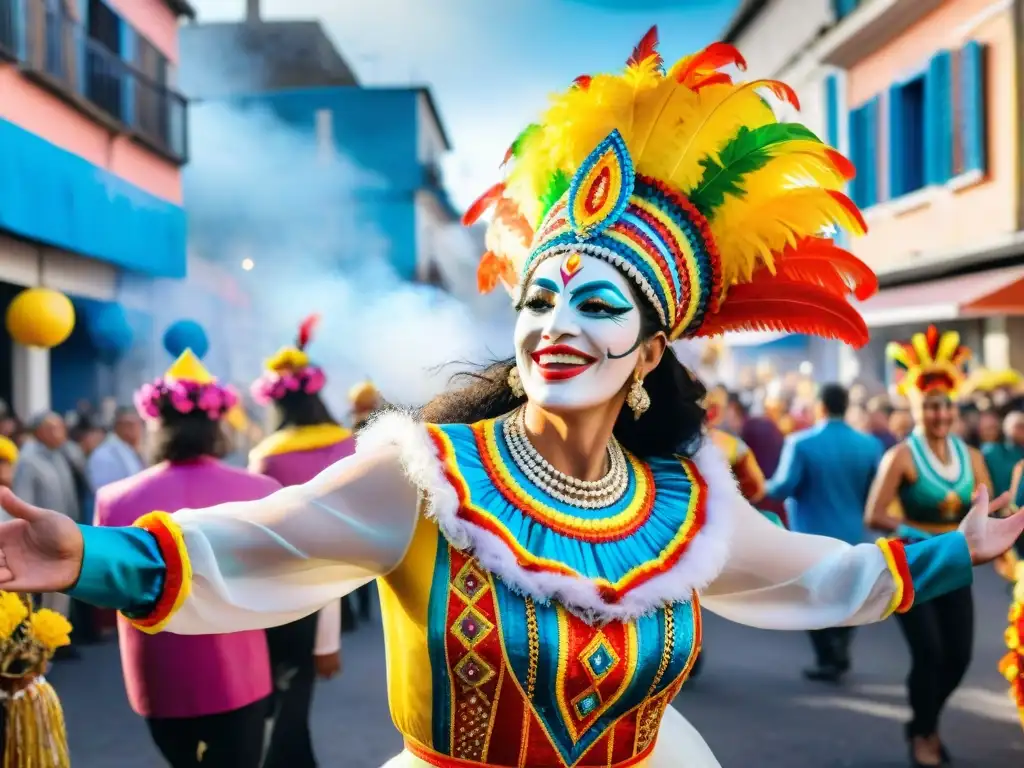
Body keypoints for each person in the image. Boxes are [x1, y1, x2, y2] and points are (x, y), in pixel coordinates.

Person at [1, 31, 1023, 768]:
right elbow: (252, 540)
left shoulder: (687, 504)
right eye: (537, 298)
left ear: (651, 349)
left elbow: (811, 576)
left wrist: (951, 549)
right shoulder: (426, 478)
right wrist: (86, 556)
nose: (553, 323)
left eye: (594, 301)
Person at [95, 350, 275, 768]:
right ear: (216, 424)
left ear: (155, 424)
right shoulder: (260, 489)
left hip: (158, 670)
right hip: (239, 666)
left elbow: (109, 590)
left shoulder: (115, 499)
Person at [865, 326, 997, 767]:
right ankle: (925, 734)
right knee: (930, 654)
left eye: (946, 406)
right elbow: (874, 514)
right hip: (916, 567)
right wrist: (921, 535)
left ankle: (924, 721)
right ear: (916, 408)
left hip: (955, 567)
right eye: (931, 406)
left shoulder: (972, 457)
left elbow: (984, 508)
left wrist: (996, 524)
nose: (940, 414)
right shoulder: (900, 456)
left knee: (958, 659)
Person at [249, 316, 345, 768]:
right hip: (339, 569)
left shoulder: (268, 455)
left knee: (283, 684)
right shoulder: (348, 445)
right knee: (297, 684)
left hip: (276, 578)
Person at [766, 384, 883, 682]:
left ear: (820, 406)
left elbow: (782, 487)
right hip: (855, 534)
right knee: (849, 594)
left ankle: (827, 654)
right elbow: (876, 491)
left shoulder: (800, 443)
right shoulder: (869, 445)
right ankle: (840, 646)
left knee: (811, 599)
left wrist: (753, 483)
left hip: (811, 537)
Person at [9, 412, 79, 641]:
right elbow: (22, 500)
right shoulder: (29, 460)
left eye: (61, 426)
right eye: (54, 427)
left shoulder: (59, 455)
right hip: (40, 537)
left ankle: (56, 640)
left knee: (61, 589)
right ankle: (35, 644)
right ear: (39, 431)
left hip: (64, 534)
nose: (61, 432)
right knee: (41, 591)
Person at [87, 406, 145, 492]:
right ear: (122, 426)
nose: (139, 430)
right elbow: (106, 493)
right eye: (134, 425)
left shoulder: (130, 451)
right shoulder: (103, 456)